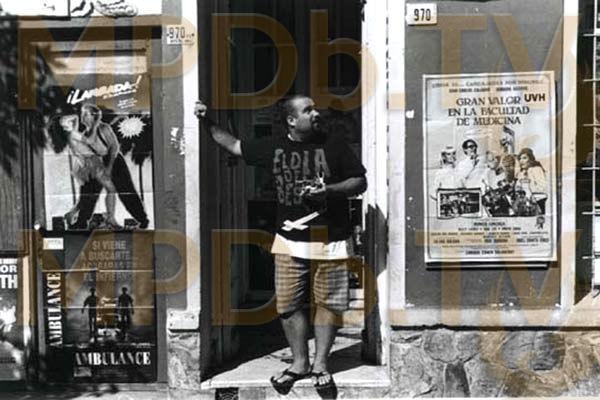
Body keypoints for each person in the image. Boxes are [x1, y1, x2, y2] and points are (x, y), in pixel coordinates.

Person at [195, 95, 367, 393]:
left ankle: (321, 365)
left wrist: (328, 190)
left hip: (331, 240)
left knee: (328, 305)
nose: (316, 113)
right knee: (288, 305)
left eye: (314, 108)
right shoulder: (273, 146)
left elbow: (359, 181)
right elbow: (233, 145)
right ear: (291, 120)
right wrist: (205, 119)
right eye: (308, 110)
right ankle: (299, 363)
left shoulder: (334, 143)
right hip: (289, 241)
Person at [68, 104, 149, 230]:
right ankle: (81, 222)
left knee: (126, 190)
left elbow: (114, 147)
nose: (82, 116)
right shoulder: (85, 134)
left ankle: (142, 219)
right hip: (98, 163)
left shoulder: (104, 128)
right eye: (82, 113)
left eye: (86, 114)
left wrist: (110, 166)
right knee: (89, 191)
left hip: (115, 160)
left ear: (93, 116)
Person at [49, 113, 121, 229]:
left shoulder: (69, 135)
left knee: (87, 195)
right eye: (66, 122)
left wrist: (66, 119)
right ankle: (110, 218)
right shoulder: (73, 134)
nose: (69, 122)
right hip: (92, 162)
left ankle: (70, 214)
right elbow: (90, 141)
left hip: (86, 164)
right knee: (111, 189)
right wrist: (96, 126)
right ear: (63, 126)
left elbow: (75, 118)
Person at [515, 147, 547, 214]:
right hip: (523, 204)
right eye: (520, 159)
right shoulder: (521, 173)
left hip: (537, 202)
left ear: (530, 159)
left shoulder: (536, 169)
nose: (521, 161)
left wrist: (530, 192)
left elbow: (542, 187)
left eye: (524, 158)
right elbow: (517, 187)